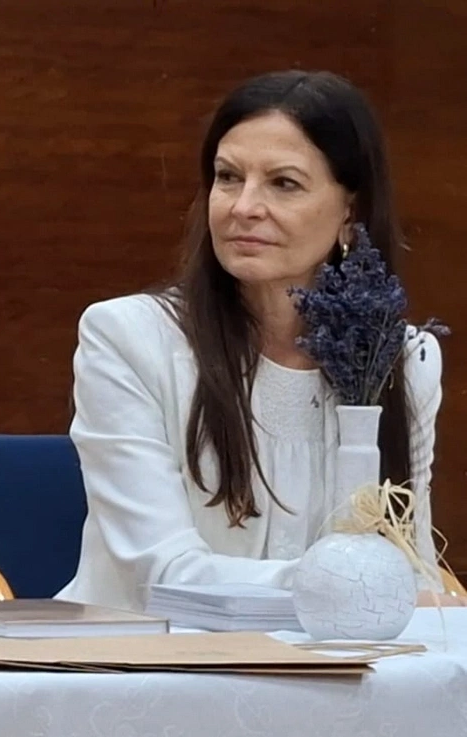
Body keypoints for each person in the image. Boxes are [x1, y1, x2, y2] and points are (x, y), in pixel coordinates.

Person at [55, 70, 462, 613]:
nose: (243, 206)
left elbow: (411, 562)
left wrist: (401, 592)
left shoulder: (405, 360)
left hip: (331, 659)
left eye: (283, 184)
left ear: (351, 214)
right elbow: (163, 576)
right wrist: (350, 585)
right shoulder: (128, 337)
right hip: (148, 652)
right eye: (228, 177)